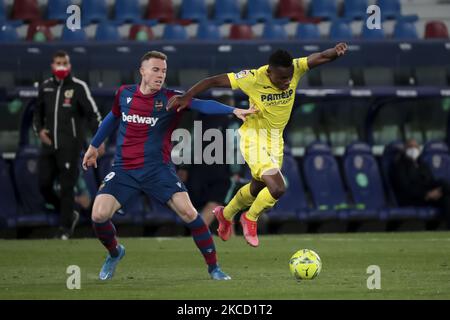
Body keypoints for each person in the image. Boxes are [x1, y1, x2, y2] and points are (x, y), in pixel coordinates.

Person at [82, 51, 256, 281]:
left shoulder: (171, 99)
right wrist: (94, 146)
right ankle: (115, 253)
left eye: (163, 71)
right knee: (98, 215)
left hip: (158, 169)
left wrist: (233, 110)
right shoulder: (124, 94)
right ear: (142, 71)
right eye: (155, 69)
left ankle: (214, 268)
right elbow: (113, 117)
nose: (160, 75)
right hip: (124, 169)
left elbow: (203, 105)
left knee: (189, 213)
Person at [168, 43, 348, 247]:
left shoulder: (295, 68)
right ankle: (250, 218)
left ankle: (225, 214)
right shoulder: (252, 78)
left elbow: (320, 57)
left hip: (275, 140)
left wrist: (335, 53)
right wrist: (187, 96)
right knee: (278, 187)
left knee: (258, 186)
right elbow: (211, 81)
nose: (287, 82)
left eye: (289, 77)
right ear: (269, 72)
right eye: (282, 78)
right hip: (253, 136)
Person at [33, 50, 104, 240]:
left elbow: (93, 114)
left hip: (70, 147)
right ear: (52, 66)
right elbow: (37, 114)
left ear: (69, 65)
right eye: (58, 62)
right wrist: (39, 131)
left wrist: (100, 139)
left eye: (64, 62)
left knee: (67, 187)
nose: (61, 66)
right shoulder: (45, 87)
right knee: (44, 184)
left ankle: (64, 229)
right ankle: (69, 212)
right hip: (49, 146)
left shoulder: (79, 87)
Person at [391, 139, 450, 229]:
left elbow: (431, 181)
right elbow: (405, 188)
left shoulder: (422, 164)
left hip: (428, 196)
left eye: (416, 147)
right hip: (412, 199)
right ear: (405, 149)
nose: (413, 149)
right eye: (410, 147)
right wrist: (426, 195)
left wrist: (437, 191)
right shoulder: (399, 165)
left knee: (446, 193)